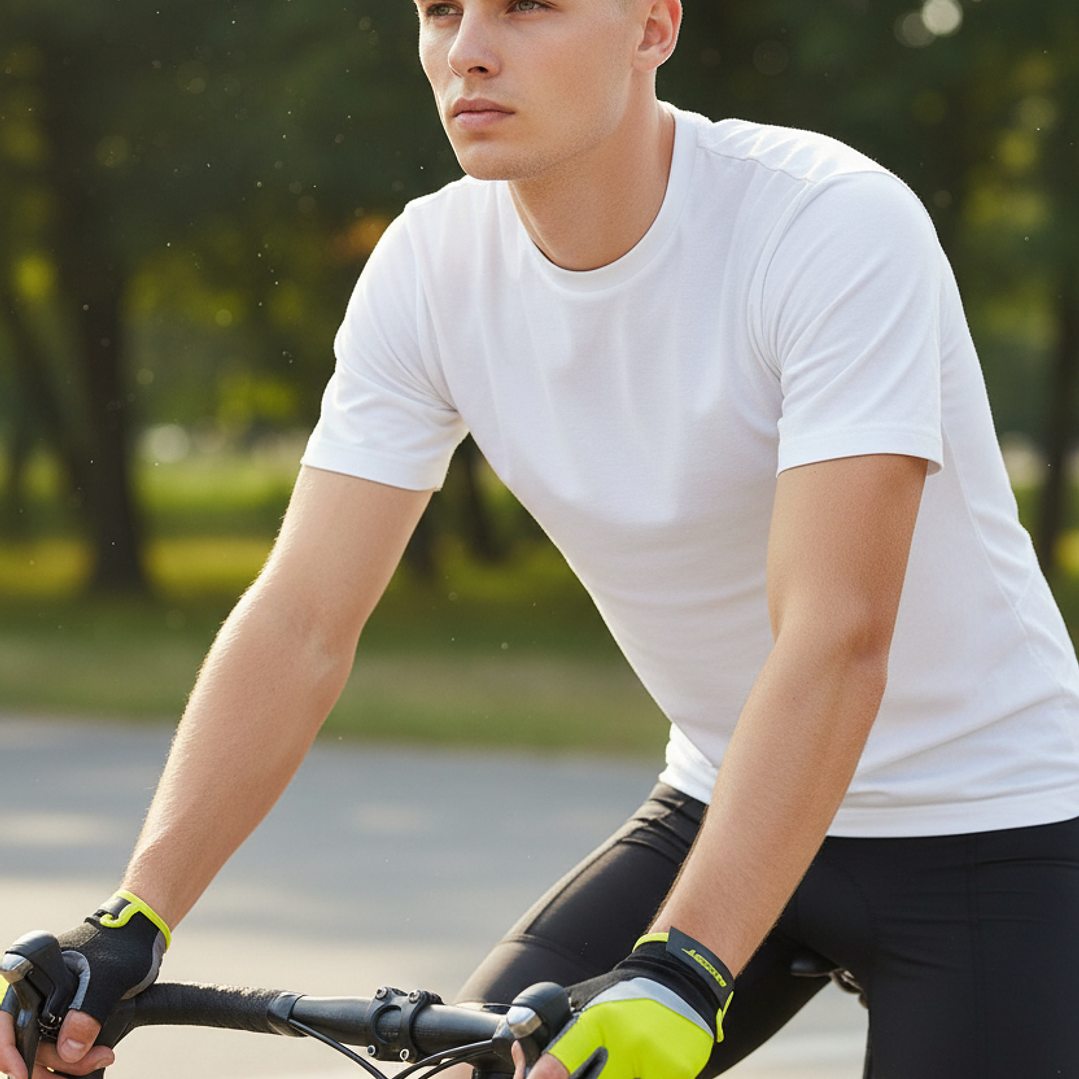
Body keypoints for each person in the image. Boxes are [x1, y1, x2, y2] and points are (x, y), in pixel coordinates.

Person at [4, 0, 1079, 1076]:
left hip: (990, 827)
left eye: (526, 6)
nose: (467, 46)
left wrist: (687, 964)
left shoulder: (828, 223)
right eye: (439, 10)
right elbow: (300, 619)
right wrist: (133, 918)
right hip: (721, 797)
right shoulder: (429, 267)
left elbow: (833, 633)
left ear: (652, 27)